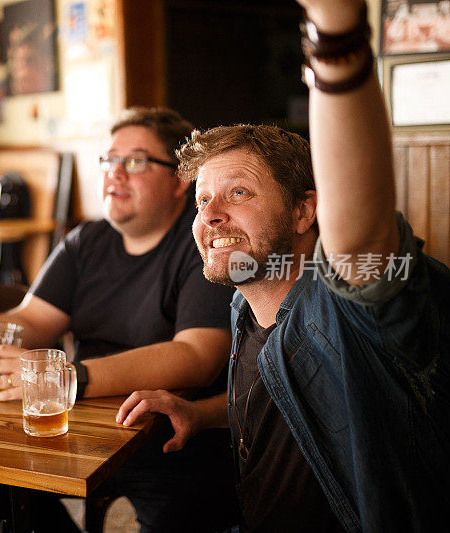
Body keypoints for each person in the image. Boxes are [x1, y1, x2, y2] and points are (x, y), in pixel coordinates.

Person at [119, 1, 450, 531]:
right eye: (202, 200)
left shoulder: (350, 307)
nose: (212, 214)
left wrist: (336, 35)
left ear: (305, 211)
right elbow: (286, 394)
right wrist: (199, 412)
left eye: (239, 192)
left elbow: (359, 236)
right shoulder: (245, 302)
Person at [0, 107, 239, 532]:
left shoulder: (202, 243)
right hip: (82, 432)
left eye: (136, 161)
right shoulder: (86, 240)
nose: (115, 174)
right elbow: (34, 316)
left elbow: (195, 357)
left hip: (170, 443)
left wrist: (71, 378)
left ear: (180, 180)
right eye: (110, 160)